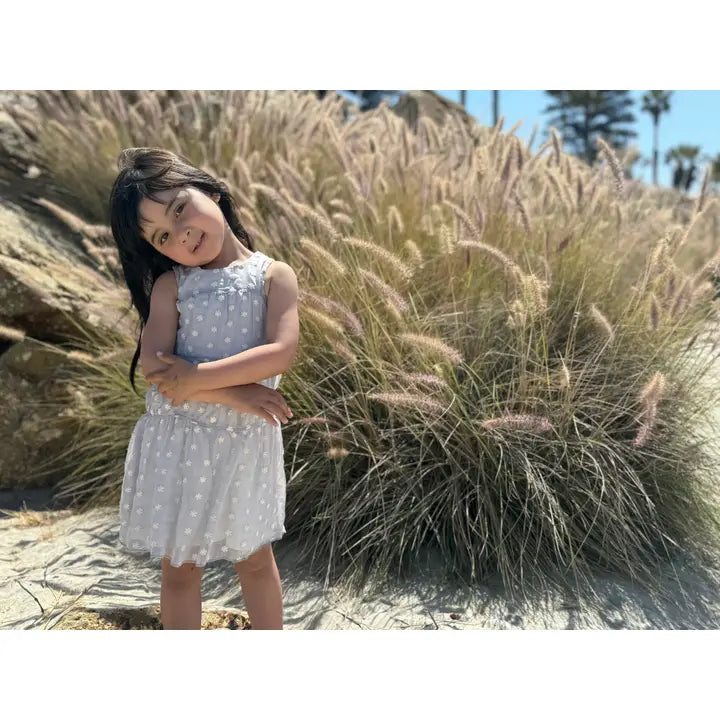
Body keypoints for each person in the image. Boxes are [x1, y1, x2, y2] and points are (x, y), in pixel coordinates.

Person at [108, 147, 299, 630]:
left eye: (179, 209)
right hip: (182, 441)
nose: (180, 234)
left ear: (211, 191)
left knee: (255, 560)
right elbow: (155, 366)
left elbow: (279, 352)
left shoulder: (273, 276)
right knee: (180, 568)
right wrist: (233, 394)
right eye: (162, 236)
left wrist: (194, 378)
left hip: (244, 444)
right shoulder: (172, 286)